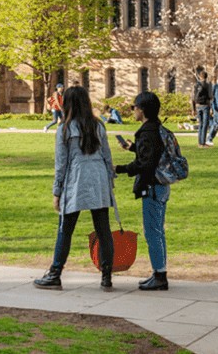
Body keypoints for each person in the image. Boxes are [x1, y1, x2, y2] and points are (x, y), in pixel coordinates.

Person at [33, 85, 115, 292]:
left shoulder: (65, 129)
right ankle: (107, 276)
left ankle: (55, 273)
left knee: (65, 230)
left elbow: (61, 164)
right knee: (103, 230)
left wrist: (56, 192)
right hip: (98, 178)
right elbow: (107, 157)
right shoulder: (99, 126)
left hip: (76, 179)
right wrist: (109, 185)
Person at [114, 91, 170, 291]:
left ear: (142, 110)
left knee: (152, 232)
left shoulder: (147, 132)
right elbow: (151, 154)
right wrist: (132, 148)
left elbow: (145, 164)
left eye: (134, 107)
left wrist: (119, 169)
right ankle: (158, 273)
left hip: (152, 187)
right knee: (157, 231)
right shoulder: (155, 129)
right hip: (161, 187)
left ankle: (160, 276)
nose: (133, 111)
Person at [191, 71, 211, 147]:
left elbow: (192, 97)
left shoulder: (196, 84)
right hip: (205, 105)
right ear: (206, 77)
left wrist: (193, 109)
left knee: (201, 124)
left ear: (200, 77)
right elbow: (210, 95)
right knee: (205, 124)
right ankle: (203, 143)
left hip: (198, 105)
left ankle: (200, 143)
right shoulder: (208, 84)